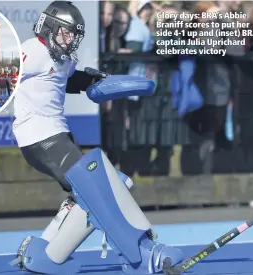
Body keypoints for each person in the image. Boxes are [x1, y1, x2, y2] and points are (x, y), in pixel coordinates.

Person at [9, 1, 183, 274]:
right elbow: (2, 74)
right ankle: (141, 254)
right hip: (41, 137)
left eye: (73, 35)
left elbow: (68, 80)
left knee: (108, 186)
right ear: (50, 27)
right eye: (65, 32)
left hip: (56, 135)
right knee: (98, 189)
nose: (69, 40)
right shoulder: (34, 49)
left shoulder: (60, 57)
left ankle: (44, 251)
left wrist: (95, 81)